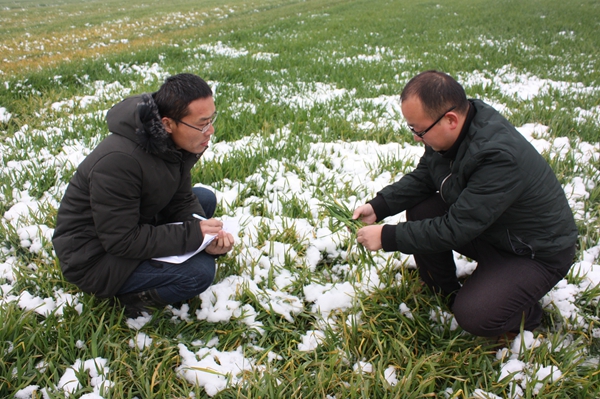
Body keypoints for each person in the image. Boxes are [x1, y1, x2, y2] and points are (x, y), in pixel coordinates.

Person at [353, 70, 577, 338]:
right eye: (412, 128)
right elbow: (425, 177)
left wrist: (388, 236)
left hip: (533, 252)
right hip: (493, 230)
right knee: (422, 209)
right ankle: (444, 289)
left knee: (475, 315)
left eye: (419, 130)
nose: (416, 137)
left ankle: (524, 312)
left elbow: (456, 228)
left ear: (450, 119)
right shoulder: (454, 130)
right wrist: (379, 206)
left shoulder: (498, 156)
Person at [52, 73, 234, 317]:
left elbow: (180, 199)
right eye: (202, 124)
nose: (210, 130)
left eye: (211, 120)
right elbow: (121, 240)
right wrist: (192, 235)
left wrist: (206, 240)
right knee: (199, 273)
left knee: (204, 199)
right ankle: (128, 298)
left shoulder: (170, 143)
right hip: (97, 259)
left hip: (135, 223)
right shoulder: (119, 162)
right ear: (168, 124)